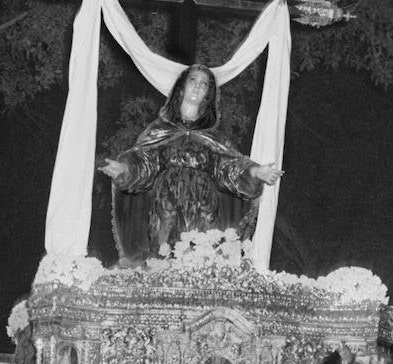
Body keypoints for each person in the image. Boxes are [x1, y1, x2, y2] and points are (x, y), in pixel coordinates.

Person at [100, 64, 281, 264]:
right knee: (163, 257)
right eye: (193, 81)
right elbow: (145, 161)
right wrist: (125, 169)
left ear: (208, 95)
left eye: (204, 85)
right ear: (181, 87)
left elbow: (227, 166)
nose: (197, 87)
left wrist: (255, 172)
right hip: (166, 202)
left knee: (200, 260)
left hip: (203, 205)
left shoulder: (213, 138)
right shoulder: (160, 131)